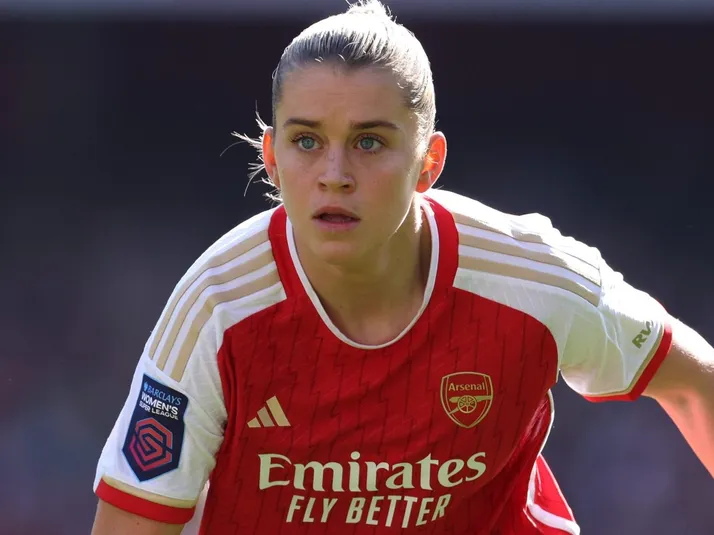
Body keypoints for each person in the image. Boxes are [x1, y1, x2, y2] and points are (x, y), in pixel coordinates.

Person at [90, 1, 714, 534]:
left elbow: (693, 381)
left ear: (428, 163)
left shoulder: (532, 277)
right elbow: (131, 520)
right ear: (272, 158)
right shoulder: (217, 306)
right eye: (307, 141)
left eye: (370, 142)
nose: (335, 174)